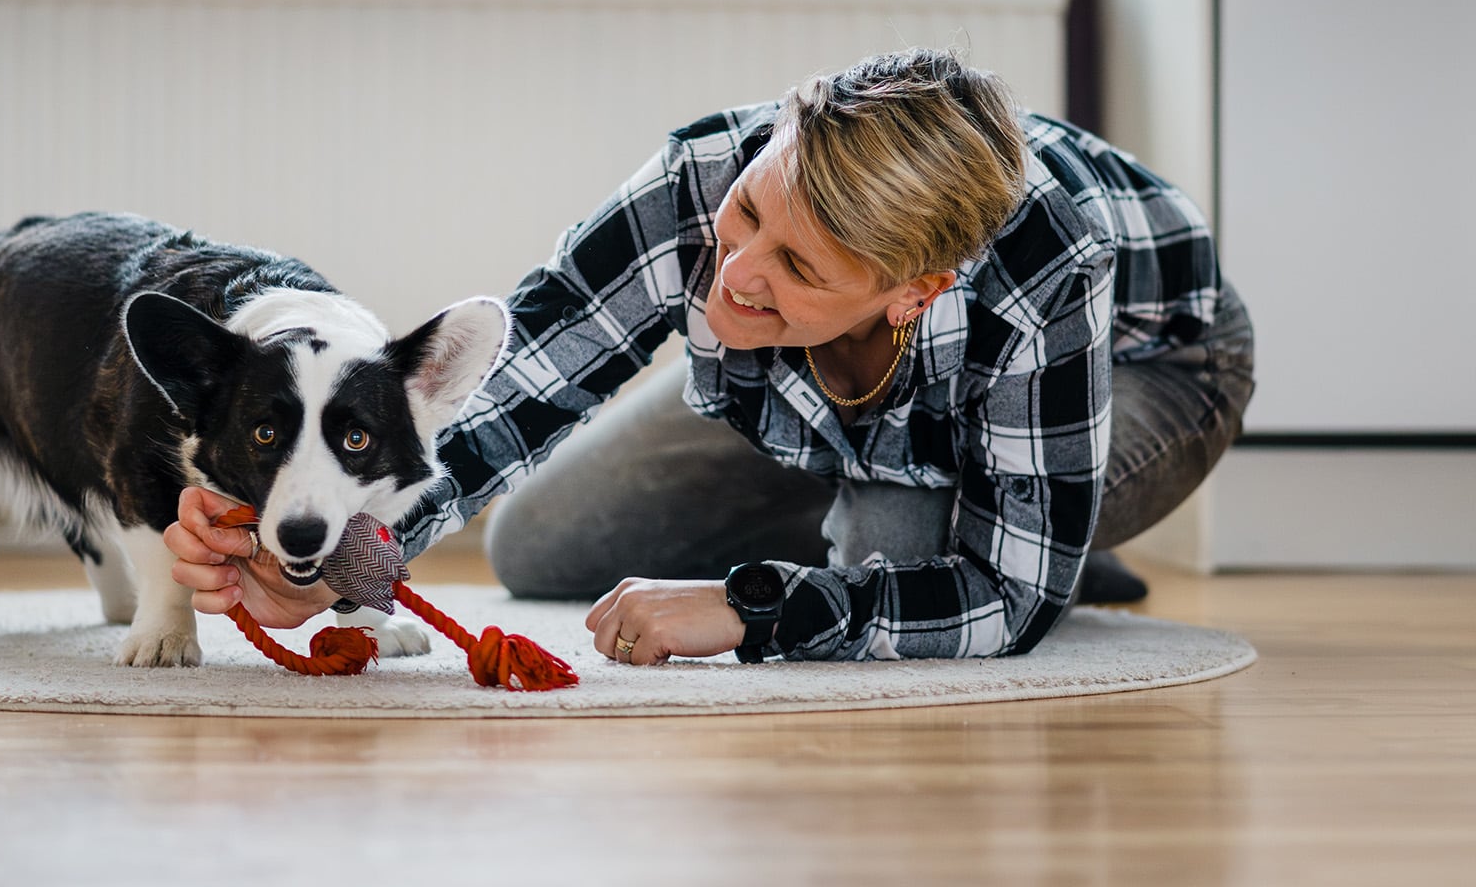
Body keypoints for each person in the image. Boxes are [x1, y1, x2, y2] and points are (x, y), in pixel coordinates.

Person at [164, 47, 1255, 666]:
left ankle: (1023, 523)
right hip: (818, 389)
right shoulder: (703, 176)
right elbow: (530, 373)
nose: (734, 276)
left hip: (1153, 365)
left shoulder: (1042, 272)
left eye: (799, 269)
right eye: (751, 216)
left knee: (898, 558)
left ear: (913, 288)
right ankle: (966, 518)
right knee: (546, 543)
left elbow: (999, 605)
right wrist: (339, 550)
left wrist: (752, 604)